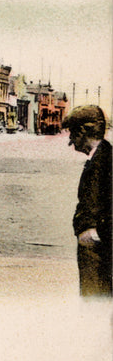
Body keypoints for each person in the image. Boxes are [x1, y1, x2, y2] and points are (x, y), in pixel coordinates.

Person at [62, 105, 112, 298]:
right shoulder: (103, 156)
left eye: (72, 133)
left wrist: (93, 230)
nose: (70, 141)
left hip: (96, 249)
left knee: (95, 297)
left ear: (83, 132)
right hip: (97, 244)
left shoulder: (103, 160)